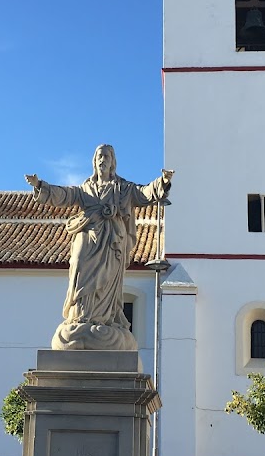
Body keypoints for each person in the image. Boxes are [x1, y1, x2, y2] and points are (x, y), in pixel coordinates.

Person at [25, 145, 173, 351]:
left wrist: (162, 183)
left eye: (106, 156)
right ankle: (80, 317)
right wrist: (41, 185)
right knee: (78, 269)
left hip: (112, 241)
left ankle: (104, 318)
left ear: (113, 162)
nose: (102, 160)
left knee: (107, 278)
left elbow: (143, 193)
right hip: (86, 236)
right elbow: (65, 195)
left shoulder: (122, 188)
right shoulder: (85, 188)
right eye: (99, 156)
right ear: (94, 162)